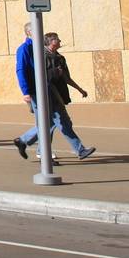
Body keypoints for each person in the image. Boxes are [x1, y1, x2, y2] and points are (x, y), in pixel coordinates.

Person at [12, 32, 95, 162]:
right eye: (57, 39)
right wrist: (26, 92)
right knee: (52, 122)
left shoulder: (58, 57)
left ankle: (26, 142)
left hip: (54, 93)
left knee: (58, 122)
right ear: (50, 42)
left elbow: (66, 77)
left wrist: (79, 89)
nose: (60, 41)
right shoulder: (32, 51)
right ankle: (44, 152)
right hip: (43, 92)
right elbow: (27, 72)